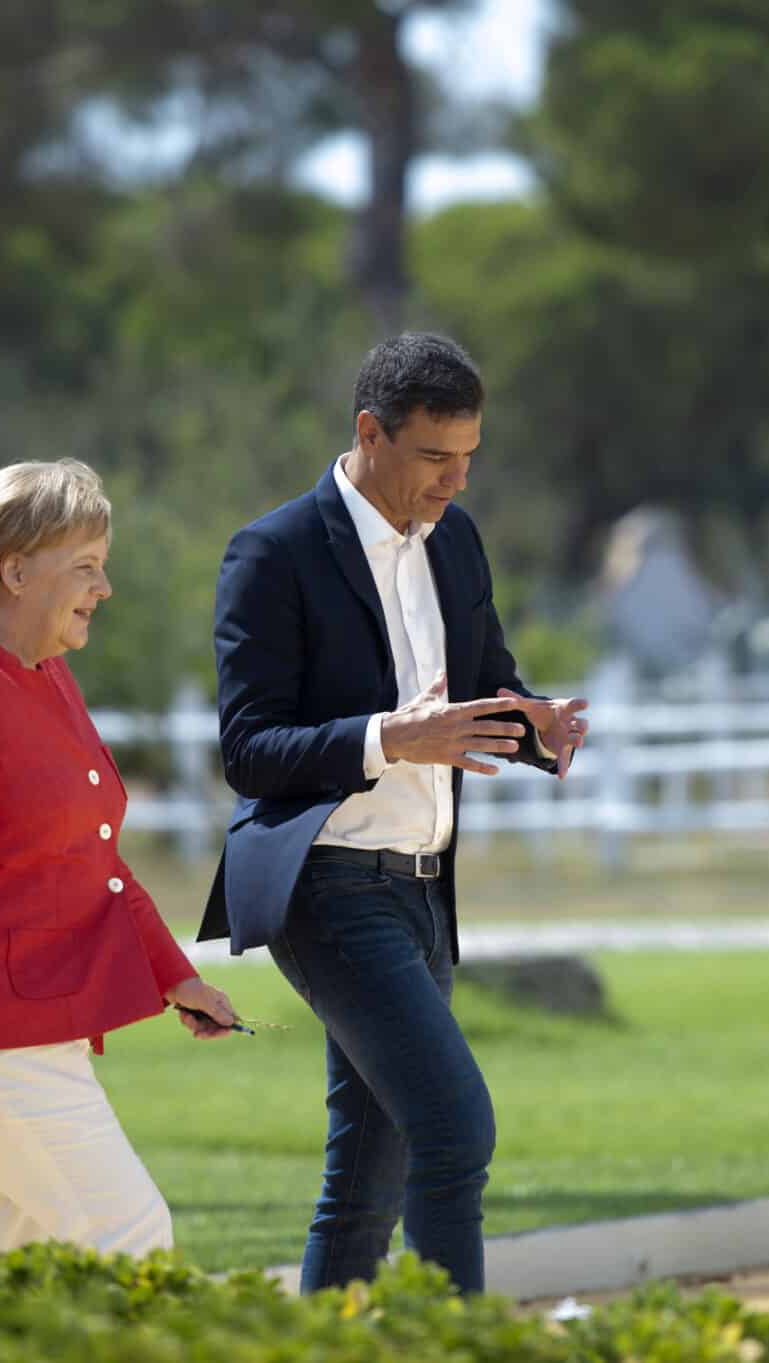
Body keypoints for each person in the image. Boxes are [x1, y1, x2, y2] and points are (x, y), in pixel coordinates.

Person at [199, 333, 590, 1296]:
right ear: (369, 432)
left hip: (425, 895)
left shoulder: (454, 539)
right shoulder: (272, 552)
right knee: (454, 1129)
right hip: (325, 886)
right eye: (434, 457)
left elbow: (484, 682)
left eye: (469, 458)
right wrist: (388, 738)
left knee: (368, 1177)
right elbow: (248, 751)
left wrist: (534, 723)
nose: (455, 481)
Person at [0, 458, 241, 1261]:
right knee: (133, 1238)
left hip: (25, 1026)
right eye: (87, 567)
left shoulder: (42, 670)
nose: (104, 589)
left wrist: (177, 975)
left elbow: (93, 854)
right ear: (16, 569)